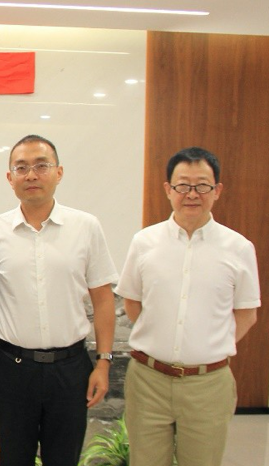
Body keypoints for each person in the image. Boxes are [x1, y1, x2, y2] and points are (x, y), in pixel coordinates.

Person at [0, 134, 118, 466]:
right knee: (13, 458)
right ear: (10, 178)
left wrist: (104, 363)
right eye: (21, 168)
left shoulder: (86, 227)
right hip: (13, 370)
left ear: (58, 172)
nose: (31, 175)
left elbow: (103, 299)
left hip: (71, 368)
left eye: (41, 166)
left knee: (64, 458)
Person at [115, 147, 260, 466]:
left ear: (217, 190)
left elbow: (247, 314)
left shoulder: (238, 248)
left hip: (208, 384)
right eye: (182, 185)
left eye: (202, 185)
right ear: (168, 189)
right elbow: (132, 301)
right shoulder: (144, 242)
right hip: (149, 380)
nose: (192, 194)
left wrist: (209, 345)